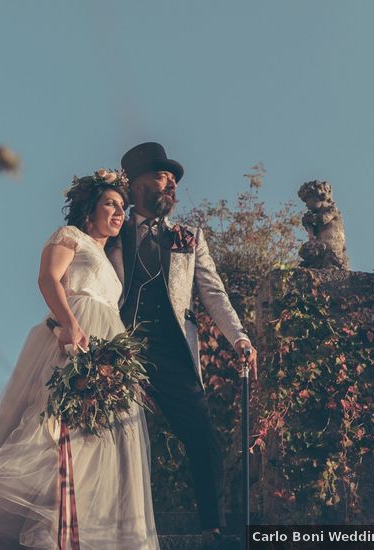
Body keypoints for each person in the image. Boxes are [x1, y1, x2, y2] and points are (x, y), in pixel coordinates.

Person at [0, 170, 159, 549]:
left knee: (96, 437)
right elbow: (48, 279)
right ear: (88, 208)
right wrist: (70, 324)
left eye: (123, 207)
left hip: (106, 345)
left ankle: (80, 528)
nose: (119, 212)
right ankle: (43, 527)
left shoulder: (109, 261)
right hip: (74, 335)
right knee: (57, 425)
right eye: (111, 203)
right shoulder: (69, 237)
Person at [106, 142, 258, 543]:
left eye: (173, 181)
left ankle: (213, 529)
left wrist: (239, 337)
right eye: (162, 178)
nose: (170, 186)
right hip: (119, 349)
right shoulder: (110, 227)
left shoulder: (189, 237)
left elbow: (213, 292)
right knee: (112, 438)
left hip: (173, 351)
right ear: (137, 184)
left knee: (204, 438)